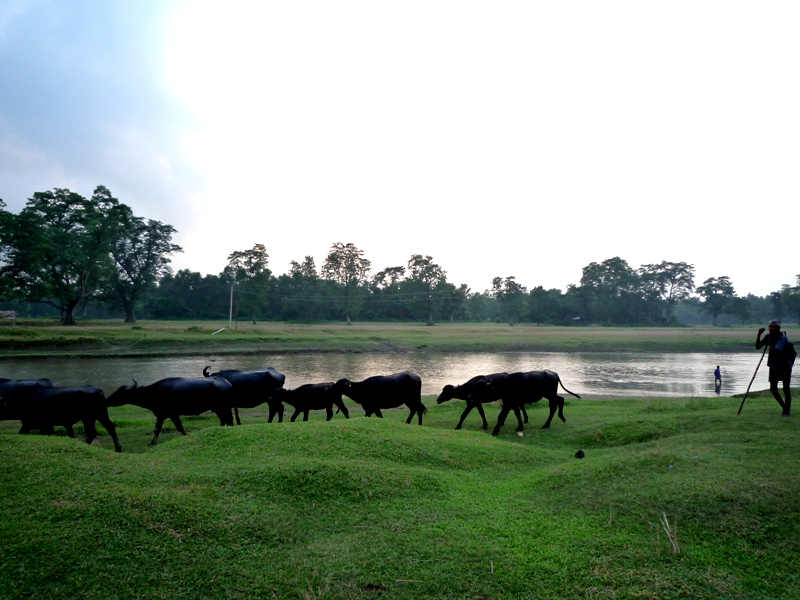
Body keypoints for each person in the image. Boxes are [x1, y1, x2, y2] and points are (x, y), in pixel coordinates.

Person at [756, 320, 792, 416]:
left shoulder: (783, 338)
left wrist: (770, 344)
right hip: (773, 366)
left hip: (785, 367)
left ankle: (787, 411)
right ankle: (784, 407)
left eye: (773, 327)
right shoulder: (768, 336)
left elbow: (777, 352)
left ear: (778, 328)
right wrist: (759, 335)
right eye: (769, 327)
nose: (770, 329)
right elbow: (758, 346)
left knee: (786, 389)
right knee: (773, 389)